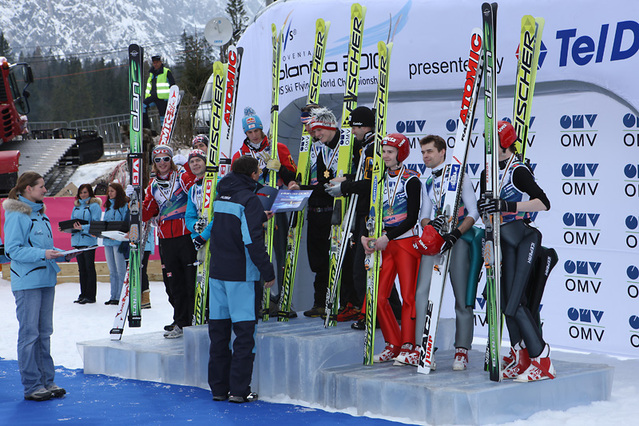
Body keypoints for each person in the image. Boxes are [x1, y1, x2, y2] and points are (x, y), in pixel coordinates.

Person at [477, 120, 555, 382]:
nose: (488, 146)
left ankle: (542, 359)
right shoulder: (487, 171)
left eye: (492, 141)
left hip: (523, 238)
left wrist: (506, 204)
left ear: (505, 143)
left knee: (515, 303)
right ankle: (522, 357)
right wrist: (485, 209)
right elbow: (484, 209)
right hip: (501, 240)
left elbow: (544, 203)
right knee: (503, 303)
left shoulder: (518, 170)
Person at [325, 106, 403, 326]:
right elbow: (366, 175)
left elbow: (372, 184)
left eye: (355, 126)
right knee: (368, 265)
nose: (353, 131)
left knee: (365, 266)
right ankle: (387, 311)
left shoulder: (373, 148)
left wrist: (346, 187)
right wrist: (346, 180)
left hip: (372, 214)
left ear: (365, 126)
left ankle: (376, 312)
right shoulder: (366, 146)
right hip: (363, 212)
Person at [207, 155, 275, 403]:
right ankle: (238, 390)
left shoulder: (221, 196)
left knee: (219, 334)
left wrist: (258, 217)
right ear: (253, 175)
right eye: (258, 171)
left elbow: (228, 226)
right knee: (245, 335)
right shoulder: (249, 200)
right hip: (241, 276)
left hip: (217, 275)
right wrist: (267, 271)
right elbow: (252, 242)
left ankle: (218, 389)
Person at [414, 135, 480, 371]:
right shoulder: (427, 180)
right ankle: (425, 348)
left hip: (457, 241)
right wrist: (430, 225)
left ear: (443, 152)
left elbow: (474, 212)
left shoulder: (460, 175)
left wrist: (456, 234)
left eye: (430, 151)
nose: (425, 156)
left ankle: (461, 350)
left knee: (462, 297)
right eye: (422, 152)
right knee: (421, 293)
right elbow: (423, 213)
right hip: (434, 242)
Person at [3, 172, 69, 401]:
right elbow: (13, 249)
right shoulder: (17, 213)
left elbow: (41, 247)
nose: (45, 190)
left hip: (45, 279)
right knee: (30, 333)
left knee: (44, 333)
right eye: (41, 186)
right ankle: (32, 385)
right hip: (28, 282)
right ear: (28, 189)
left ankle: (47, 381)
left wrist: (60, 255)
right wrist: (44, 253)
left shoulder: (40, 214)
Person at [360, 133, 422, 366]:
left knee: (408, 297)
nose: (385, 155)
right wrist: (367, 236)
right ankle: (392, 343)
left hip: (405, 242)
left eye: (390, 151)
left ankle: (409, 345)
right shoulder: (378, 179)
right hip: (383, 243)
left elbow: (412, 217)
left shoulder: (411, 180)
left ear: (401, 153)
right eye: (383, 151)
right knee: (378, 296)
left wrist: (389, 236)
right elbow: (371, 213)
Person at [232, 107, 298, 316]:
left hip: (276, 206)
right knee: (256, 251)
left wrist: (281, 171)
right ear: (245, 133)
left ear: (262, 129)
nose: (254, 135)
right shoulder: (240, 154)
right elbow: (237, 183)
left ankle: (281, 298)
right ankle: (259, 300)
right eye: (250, 132)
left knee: (279, 250)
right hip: (254, 209)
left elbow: (293, 176)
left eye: (257, 130)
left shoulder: (278, 147)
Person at [141, 145, 197, 338]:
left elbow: (196, 193)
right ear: (154, 163)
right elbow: (146, 213)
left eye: (166, 159)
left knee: (190, 280)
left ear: (171, 160)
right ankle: (180, 320)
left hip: (185, 236)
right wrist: (136, 199)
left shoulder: (181, 176)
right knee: (172, 283)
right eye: (158, 160)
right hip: (166, 239)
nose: (162, 163)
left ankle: (192, 319)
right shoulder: (152, 185)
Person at [300, 107, 346, 317]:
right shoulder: (320, 148)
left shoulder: (344, 146)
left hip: (335, 211)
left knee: (338, 259)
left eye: (318, 130)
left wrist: (304, 189)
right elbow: (320, 181)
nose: (315, 134)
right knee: (318, 262)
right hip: (316, 210)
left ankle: (344, 304)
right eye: (312, 130)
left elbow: (332, 184)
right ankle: (321, 302)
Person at [70, 183, 102, 304]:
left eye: (85, 192)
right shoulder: (76, 207)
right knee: (81, 269)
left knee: (89, 267)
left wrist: (82, 227)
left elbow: (96, 223)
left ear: (90, 193)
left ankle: (91, 295)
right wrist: (67, 228)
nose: (83, 195)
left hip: (88, 241)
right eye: (81, 192)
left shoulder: (94, 206)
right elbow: (72, 221)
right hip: (77, 241)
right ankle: (83, 294)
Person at [102, 183, 130, 305]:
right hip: (108, 240)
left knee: (120, 270)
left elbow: (126, 222)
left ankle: (121, 295)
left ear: (118, 192)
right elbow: (105, 223)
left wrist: (118, 233)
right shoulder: (108, 206)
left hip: (118, 240)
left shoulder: (124, 206)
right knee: (112, 270)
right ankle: (113, 296)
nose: (110, 194)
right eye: (109, 191)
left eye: (112, 191)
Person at [143, 55, 176, 129]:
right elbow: (149, 86)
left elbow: (173, 85)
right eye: (154, 63)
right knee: (142, 107)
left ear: (160, 62)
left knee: (163, 117)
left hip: (163, 98)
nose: (155, 64)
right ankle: (146, 129)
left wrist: (171, 99)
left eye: (157, 62)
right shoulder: (151, 73)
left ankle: (164, 133)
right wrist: (147, 97)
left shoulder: (166, 72)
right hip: (153, 97)